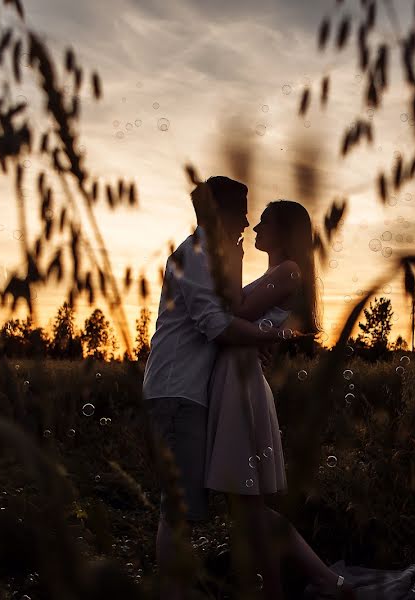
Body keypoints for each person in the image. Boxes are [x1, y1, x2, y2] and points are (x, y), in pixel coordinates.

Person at [141, 176, 285, 600]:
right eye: (241, 210)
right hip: (176, 394)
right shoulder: (198, 254)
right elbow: (218, 326)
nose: (245, 220)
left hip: (188, 395)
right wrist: (272, 337)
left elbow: (229, 312)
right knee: (178, 512)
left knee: (186, 509)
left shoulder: (213, 256)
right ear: (219, 213)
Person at [204, 200, 356, 599]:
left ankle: (325, 581)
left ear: (285, 231)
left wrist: (232, 260)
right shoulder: (276, 273)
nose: (255, 228)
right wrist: (264, 335)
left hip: (242, 388)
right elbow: (244, 321)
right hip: (235, 380)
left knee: (248, 508)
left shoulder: (288, 270)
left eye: (265, 222)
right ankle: (285, 587)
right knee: (246, 510)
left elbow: (230, 311)